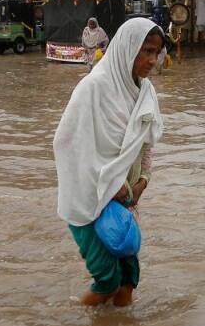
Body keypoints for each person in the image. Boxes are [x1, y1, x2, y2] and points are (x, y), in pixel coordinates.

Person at [54, 18, 164, 308]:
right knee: (107, 281)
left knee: (129, 279)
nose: (153, 60)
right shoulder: (93, 88)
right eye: (147, 51)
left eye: (157, 52)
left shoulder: (145, 92)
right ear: (128, 48)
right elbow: (67, 145)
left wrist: (143, 182)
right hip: (89, 199)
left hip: (126, 201)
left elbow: (146, 143)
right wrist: (110, 185)